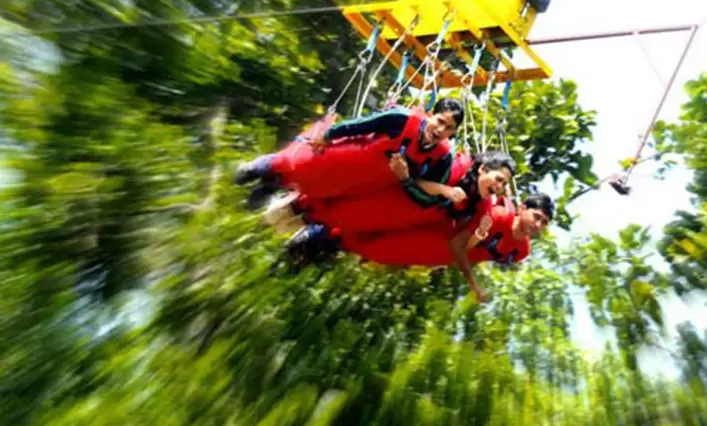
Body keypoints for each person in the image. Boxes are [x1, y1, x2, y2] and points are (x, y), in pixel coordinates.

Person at [235, 98, 464, 209]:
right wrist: (329, 134)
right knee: (302, 164)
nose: (441, 130)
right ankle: (260, 167)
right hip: (347, 156)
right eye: (440, 121)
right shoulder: (402, 119)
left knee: (316, 187)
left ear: (453, 132)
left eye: (449, 128)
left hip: (359, 182)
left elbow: (426, 196)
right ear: (431, 116)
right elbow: (362, 124)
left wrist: (407, 179)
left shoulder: (442, 158)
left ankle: (271, 187)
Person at [287, 150, 516, 258]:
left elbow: (465, 244)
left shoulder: (483, 206)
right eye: (498, 180)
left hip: (406, 221)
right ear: (483, 169)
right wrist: (443, 190)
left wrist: (480, 234)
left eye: (503, 185)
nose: (498, 188)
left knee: (348, 233)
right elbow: (416, 177)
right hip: (393, 198)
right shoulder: (457, 165)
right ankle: (298, 209)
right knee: (344, 211)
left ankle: (305, 249)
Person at [334, 192, 554, 302]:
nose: (537, 225)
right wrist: (474, 286)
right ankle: (326, 230)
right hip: (436, 235)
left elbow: (478, 254)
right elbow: (458, 244)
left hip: (439, 256)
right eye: (536, 217)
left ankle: (330, 242)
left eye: (543, 222)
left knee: (377, 253)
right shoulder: (498, 216)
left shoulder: (521, 251)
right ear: (522, 208)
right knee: (377, 239)